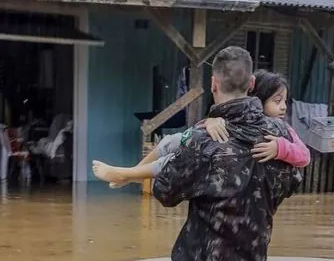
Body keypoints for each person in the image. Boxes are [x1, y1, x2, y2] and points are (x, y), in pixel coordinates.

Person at [152, 46, 302, 261]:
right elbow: (293, 182)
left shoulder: (203, 140)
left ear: (213, 84)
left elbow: (164, 192)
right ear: (251, 83)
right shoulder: (281, 134)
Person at [92, 69, 310, 187]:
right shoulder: (233, 117)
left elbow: (304, 156)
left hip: (237, 177)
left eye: (284, 101)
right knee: (174, 141)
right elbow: (202, 132)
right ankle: (131, 174)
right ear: (256, 97)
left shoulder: (281, 130)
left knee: (176, 158)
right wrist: (210, 122)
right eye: (277, 101)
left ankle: (127, 175)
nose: (283, 107)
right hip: (229, 171)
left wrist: (280, 148)